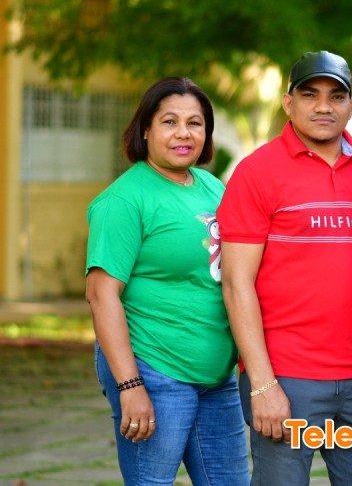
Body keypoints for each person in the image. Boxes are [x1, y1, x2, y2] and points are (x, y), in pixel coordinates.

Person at [217, 51, 352, 486]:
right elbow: (237, 283)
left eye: (336, 96)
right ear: (288, 103)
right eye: (309, 94)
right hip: (287, 379)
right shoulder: (256, 172)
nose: (323, 106)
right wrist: (262, 384)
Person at [85, 77, 249, 485]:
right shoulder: (124, 200)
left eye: (195, 123)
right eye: (170, 122)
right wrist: (130, 385)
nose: (183, 133)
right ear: (146, 129)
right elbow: (101, 295)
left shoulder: (212, 187)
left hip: (216, 378)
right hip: (154, 370)